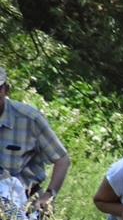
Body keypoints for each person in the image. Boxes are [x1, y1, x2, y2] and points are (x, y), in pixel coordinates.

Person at [0, 65, 71, 211]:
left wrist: (49, 195)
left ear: (6, 90)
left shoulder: (29, 118)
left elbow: (62, 159)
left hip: (25, 201)